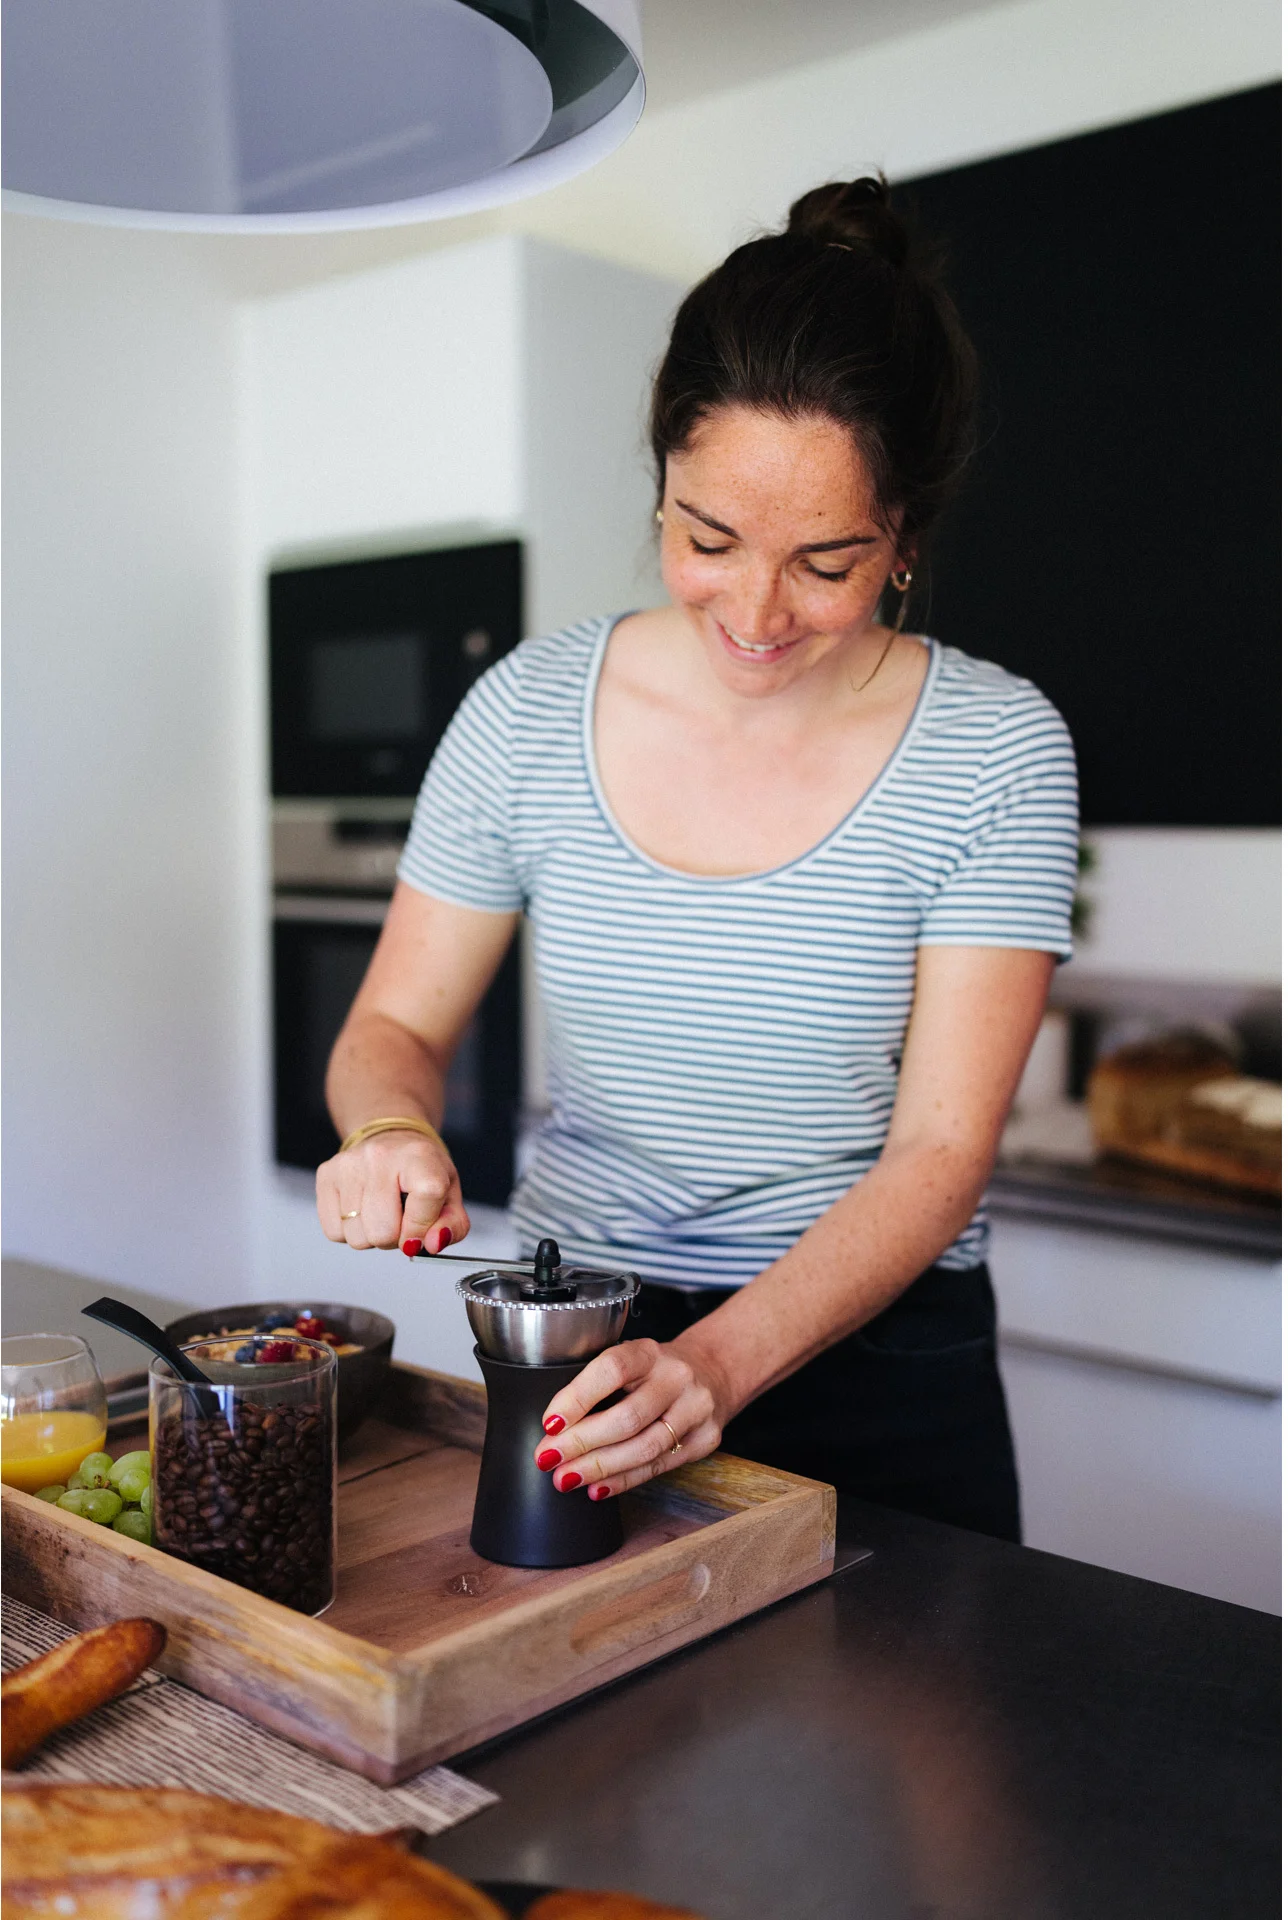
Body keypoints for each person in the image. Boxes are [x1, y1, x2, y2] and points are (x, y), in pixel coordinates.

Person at [316, 177, 1079, 1542]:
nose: (758, 612)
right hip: (580, 1338)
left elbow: (941, 1152)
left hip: (878, 1365)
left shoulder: (995, 749)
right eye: (707, 538)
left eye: (826, 562)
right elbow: (394, 1028)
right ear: (661, 480)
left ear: (906, 537)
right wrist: (388, 1130)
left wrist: (718, 1364)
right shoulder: (527, 712)